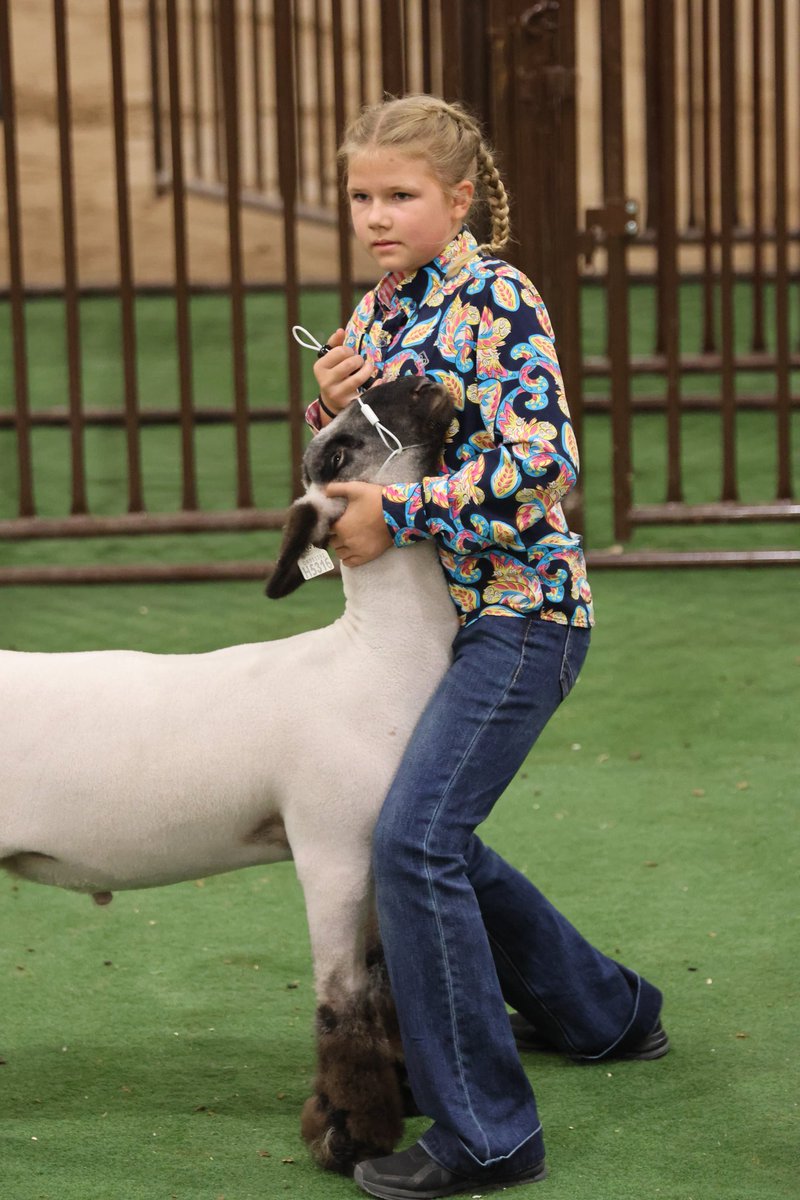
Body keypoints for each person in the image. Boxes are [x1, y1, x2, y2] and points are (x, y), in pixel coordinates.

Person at [308, 94, 668, 1200]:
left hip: (521, 618)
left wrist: (400, 519)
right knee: (432, 835)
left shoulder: (498, 298)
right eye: (362, 195)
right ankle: (606, 1013)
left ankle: (490, 1135)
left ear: (457, 199)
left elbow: (544, 464)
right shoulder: (371, 317)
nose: (376, 215)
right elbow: (353, 478)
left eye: (400, 195)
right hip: (428, 636)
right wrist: (320, 408)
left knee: (410, 840)